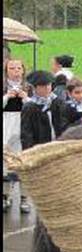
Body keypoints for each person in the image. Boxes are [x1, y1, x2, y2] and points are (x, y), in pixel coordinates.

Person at [19, 70, 67, 213]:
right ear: (35, 88)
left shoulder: (57, 102)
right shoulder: (30, 106)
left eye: (48, 85)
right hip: (41, 146)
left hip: (57, 144)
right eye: (42, 86)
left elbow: (64, 123)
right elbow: (26, 132)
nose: (47, 88)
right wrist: (29, 152)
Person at [3, 58, 31, 213]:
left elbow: (36, 106)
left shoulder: (28, 87)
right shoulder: (4, 86)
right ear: (6, 71)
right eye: (11, 68)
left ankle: (24, 199)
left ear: (22, 70)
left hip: (23, 123)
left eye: (18, 68)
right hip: (6, 123)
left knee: (22, 160)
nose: (15, 71)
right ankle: (6, 196)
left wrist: (24, 97)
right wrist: (7, 96)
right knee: (6, 160)